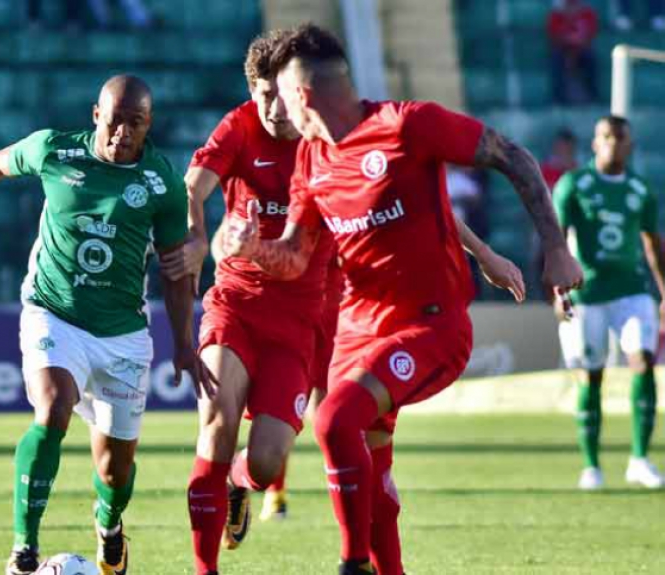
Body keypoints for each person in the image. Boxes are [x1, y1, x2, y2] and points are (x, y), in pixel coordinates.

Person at [160, 29, 527, 575]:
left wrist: (483, 254)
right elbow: (194, 186)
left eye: (280, 96)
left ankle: (246, 482)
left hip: (313, 315)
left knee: (269, 462)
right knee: (221, 422)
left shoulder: (341, 141)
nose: (272, 109)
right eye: (262, 95)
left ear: (301, 91)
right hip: (238, 302)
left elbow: (419, 201)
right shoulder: (242, 128)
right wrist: (200, 239)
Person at [0, 74, 210, 575]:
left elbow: (175, 271)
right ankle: (24, 549)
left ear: (149, 126)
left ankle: (109, 523)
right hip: (53, 311)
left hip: (122, 333)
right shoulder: (54, 151)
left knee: (115, 468)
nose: (123, 132)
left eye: (136, 123)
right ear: (95, 114)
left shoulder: (162, 183)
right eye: (115, 120)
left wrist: (185, 343)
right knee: (53, 408)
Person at [553, 116, 665, 490]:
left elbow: (652, 243)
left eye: (620, 138)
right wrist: (559, 290)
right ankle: (591, 466)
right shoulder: (574, 185)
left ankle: (639, 459)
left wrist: (664, 291)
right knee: (591, 375)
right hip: (586, 294)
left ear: (630, 145)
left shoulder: (640, 189)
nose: (613, 144)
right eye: (606, 137)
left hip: (632, 290)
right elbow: (554, 239)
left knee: (643, 361)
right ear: (594, 143)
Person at [547, 0, 599, 104]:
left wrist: (577, 45)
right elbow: (554, 36)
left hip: (581, 49)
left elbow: (590, 34)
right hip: (563, 49)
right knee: (556, 59)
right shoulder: (556, 15)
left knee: (590, 58)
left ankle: (593, 96)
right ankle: (558, 98)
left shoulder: (587, 13)